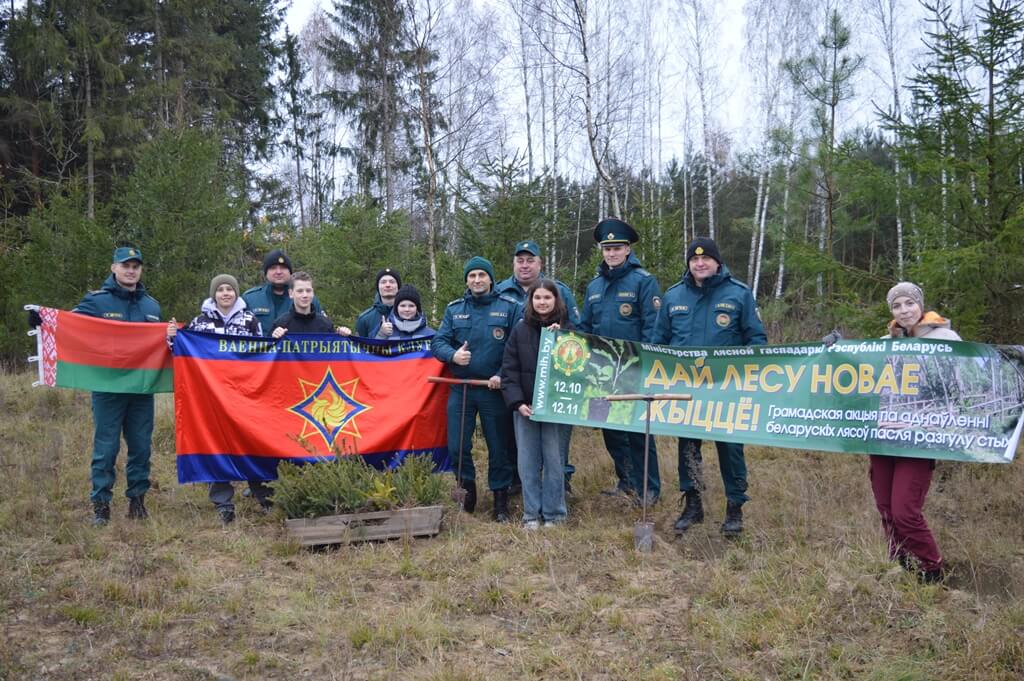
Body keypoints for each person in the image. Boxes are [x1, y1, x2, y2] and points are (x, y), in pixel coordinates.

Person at [654, 236, 767, 536]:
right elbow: (658, 343)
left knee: (730, 449)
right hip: (686, 390)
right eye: (694, 259)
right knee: (688, 448)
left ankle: (735, 508)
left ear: (717, 262)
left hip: (727, 391)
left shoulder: (740, 295)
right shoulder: (673, 297)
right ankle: (693, 505)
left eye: (705, 259)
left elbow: (756, 340)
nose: (700, 263)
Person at [873, 281, 960, 582]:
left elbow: (959, 382)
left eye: (909, 303)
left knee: (905, 511)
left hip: (919, 439)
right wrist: (833, 350)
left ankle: (932, 568)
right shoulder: (884, 341)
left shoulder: (946, 338)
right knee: (886, 508)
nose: (904, 310)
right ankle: (900, 563)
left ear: (920, 305)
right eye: (897, 305)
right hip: (884, 437)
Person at [166, 274, 266, 524]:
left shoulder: (250, 320)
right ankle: (223, 502)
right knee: (216, 443)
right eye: (220, 289)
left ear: (236, 293)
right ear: (214, 294)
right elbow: (182, 352)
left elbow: (263, 354)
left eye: (229, 289)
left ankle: (262, 492)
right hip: (211, 395)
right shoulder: (200, 323)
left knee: (251, 440)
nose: (225, 293)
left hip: (244, 393)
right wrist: (172, 337)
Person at [72, 247, 162, 525]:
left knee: (141, 447)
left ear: (141, 270)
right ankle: (101, 504)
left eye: (136, 266)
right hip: (108, 389)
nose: (131, 270)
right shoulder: (96, 302)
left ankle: (137, 500)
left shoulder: (152, 306)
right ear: (114, 268)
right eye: (125, 265)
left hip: (141, 390)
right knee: (106, 449)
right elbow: (68, 324)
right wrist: (41, 320)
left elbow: (160, 344)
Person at [578, 218, 662, 505]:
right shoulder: (595, 287)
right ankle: (626, 481)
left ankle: (649, 488)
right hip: (602, 373)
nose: (611, 253)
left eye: (617, 248)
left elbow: (654, 327)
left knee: (638, 433)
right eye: (607, 248)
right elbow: (585, 328)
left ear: (628, 249)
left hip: (633, 369)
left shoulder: (643, 282)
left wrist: (647, 365)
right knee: (611, 431)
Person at [431, 256, 521, 522]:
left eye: (482, 275)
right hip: (462, 390)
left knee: (498, 447)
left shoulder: (509, 307)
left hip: (494, 389)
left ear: (491, 279)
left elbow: (517, 347)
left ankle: (500, 502)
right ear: (467, 281)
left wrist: (501, 374)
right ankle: (467, 495)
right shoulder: (454, 309)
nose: (477, 280)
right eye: (472, 276)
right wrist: (452, 355)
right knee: (457, 445)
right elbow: (439, 342)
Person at [495, 240, 581, 494]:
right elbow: (506, 347)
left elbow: (579, 336)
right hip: (519, 388)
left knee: (556, 452)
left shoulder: (560, 290)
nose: (524, 264)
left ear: (539, 263)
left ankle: (558, 494)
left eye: (530, 260)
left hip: (556, 394)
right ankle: (522, 492)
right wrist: (514, 395)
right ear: (514, 263)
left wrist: (562, 334)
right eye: (520, 260)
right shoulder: (500, 291)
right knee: (522, 449)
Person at [501, 280, 572, 528]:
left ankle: (555, 514)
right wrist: (518, 403)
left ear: (556, 300)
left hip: (555, 409)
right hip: (526, 409)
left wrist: (561, 337)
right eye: (537, 298)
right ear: (530, 301)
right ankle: (531, 514)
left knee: (554, 461)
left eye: (547, 298)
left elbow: (578, 369)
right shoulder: (520, 330)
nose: (542, 302)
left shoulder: (568, 331)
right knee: (527, 462)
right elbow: (509, 370)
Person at [242, 249, 323, 333]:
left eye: (283, 268)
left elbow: (322, 328)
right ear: (266, 272)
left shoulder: (308, 300)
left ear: (290, 272)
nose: (278, 272)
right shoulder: (250, 299)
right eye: (273, 268)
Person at [339, 268, 402, 338]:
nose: (387, 285)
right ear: (378, 287)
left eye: (392, 282)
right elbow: (359, 347)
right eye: (383, 282)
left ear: (398, 286)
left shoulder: (410, 314)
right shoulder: (364, 319)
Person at [271, 271, 335, 337]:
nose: (305, 295)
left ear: (313, 292)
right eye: (300, 291)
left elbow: (338, 345)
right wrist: (275, 337)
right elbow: (267, 346)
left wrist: (344, 335)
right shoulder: (280, 324)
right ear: (291, 293)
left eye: (308, 290)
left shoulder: (326, 325)